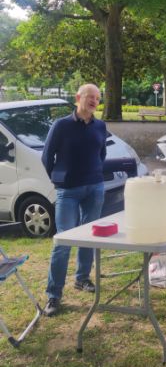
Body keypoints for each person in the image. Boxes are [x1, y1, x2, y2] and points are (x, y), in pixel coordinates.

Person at [42, 83, 107, 317]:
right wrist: (58, 179)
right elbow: (47, 156)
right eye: (90, 97)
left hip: (95, 188)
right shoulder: (61, 125)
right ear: (78, 97)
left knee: (89, 237)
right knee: (63, 241)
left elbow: (101, 154)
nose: (94, 101)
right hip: (68, 191)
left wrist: (95, 174)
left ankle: (82, 278)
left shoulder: (100, 125)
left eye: (97, 98)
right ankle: (54, 295)